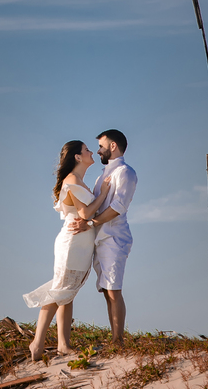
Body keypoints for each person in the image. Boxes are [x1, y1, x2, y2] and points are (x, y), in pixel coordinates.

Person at [22, 140, 112, 361]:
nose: (92, 152)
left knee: (67, 293)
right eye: (87, 150)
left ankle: (63, 344)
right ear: (78, 157)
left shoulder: (78, 180)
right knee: (61, 290)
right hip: (72, 243)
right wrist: (103, 194)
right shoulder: (72, 180)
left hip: (80, 244)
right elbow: (84, 214)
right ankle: (38, 341)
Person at [66, 129, 137, 347]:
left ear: (113, 146)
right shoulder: (102, 175)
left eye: (101, 146)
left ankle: (118, 341)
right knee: (107, 290)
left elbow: (117, 208)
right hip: (100, 239)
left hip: (114, 238)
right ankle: (116, 338)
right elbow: (95, 207)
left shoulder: (125, 172)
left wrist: (89, 223)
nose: (97, 151)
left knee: (114, 289)